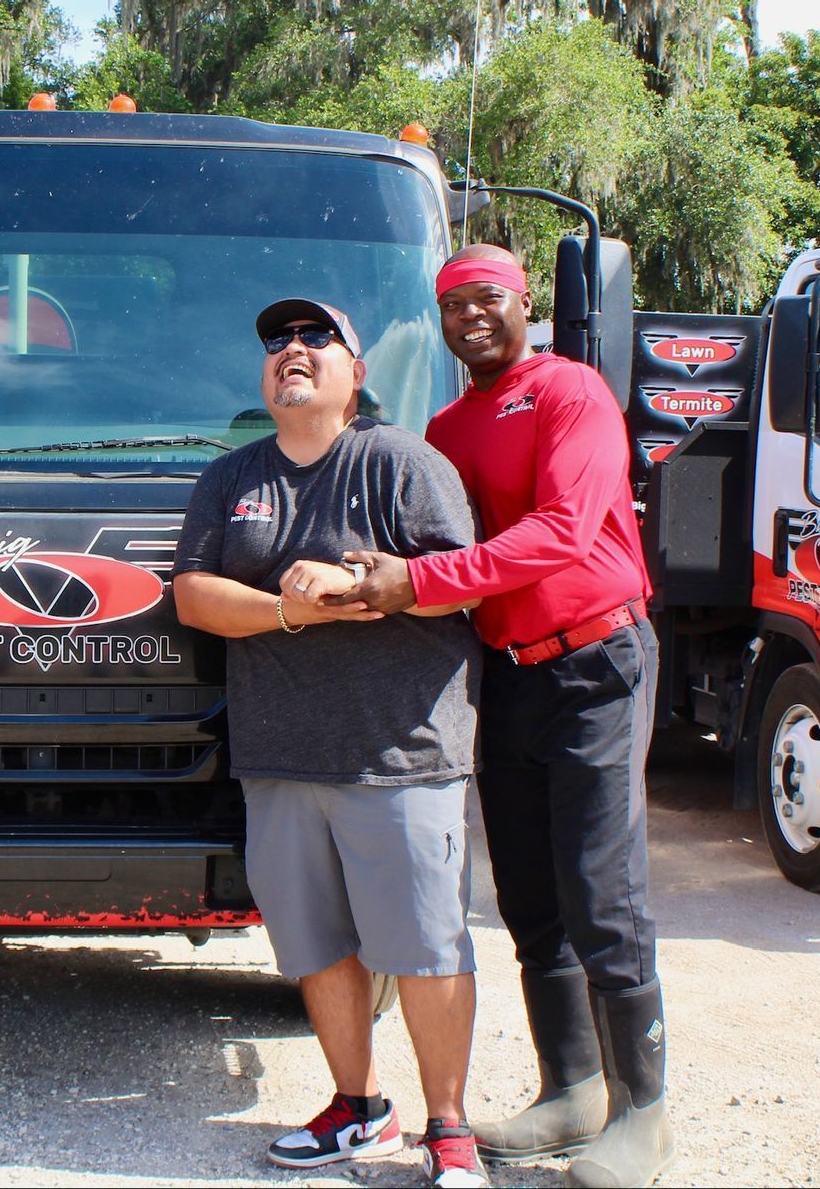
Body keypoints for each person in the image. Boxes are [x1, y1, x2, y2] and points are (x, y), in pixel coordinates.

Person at [325, 245, 672, 1188]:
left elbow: (562, 531)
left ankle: (644, 1113)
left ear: (524, 306)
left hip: (596, 662)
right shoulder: (448, 423)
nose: (471, 317)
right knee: (528, 898)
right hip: (507, 674)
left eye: (488, 300)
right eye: (453, 306)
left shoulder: (572, 394)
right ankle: (572, 1088)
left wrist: (420, 581)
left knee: (603, 892)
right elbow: (428, 538)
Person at [173, 299, 489, 1188]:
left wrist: (353, 582)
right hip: (279, 759)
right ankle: (358, 1108)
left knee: (425, 947)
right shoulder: (232, 477)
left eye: (318, 341)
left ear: (356, 374)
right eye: (277, 342)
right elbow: (194, 595)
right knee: (313, 945)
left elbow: (458, 584)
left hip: (399, 754)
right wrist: (282, 608)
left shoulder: (401, 462)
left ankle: (449, 1128)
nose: (294, 353)